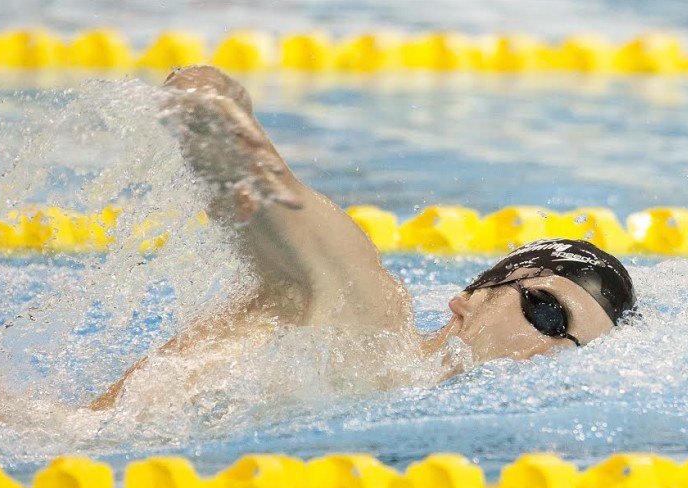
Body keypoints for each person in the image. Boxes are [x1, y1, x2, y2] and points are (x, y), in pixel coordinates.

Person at [90, 66, 636, 411]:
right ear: (471, 299)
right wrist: (220, 107)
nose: (546, 351)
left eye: (574, 352)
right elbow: (250, 177)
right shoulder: (365, 317)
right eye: (546, 315)